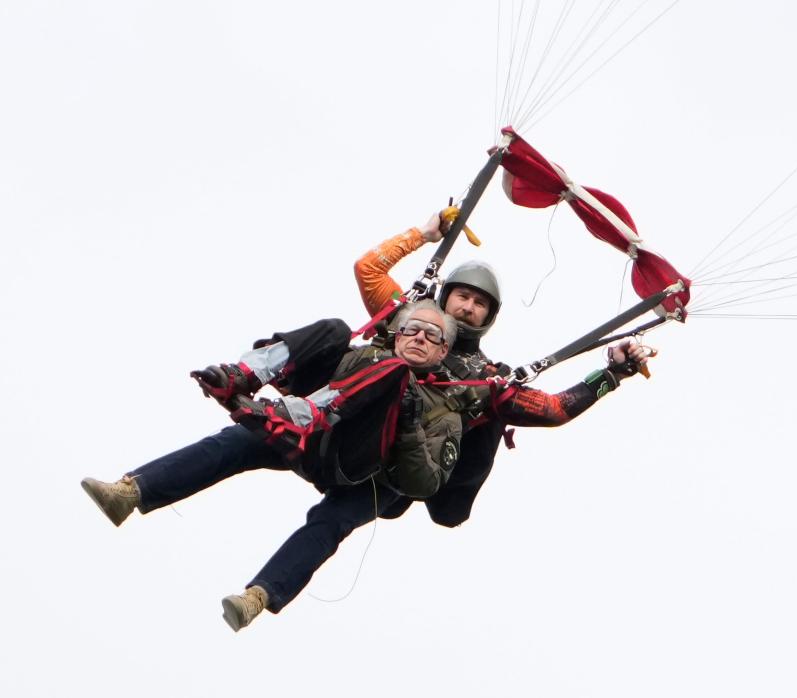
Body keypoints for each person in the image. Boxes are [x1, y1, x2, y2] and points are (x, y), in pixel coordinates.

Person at [81, 301, 461, 631]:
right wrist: (421, 234)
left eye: (432, 335)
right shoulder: (369, 355)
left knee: (331, 522)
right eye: (413, 329)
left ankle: (259, 596)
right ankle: (131, 492)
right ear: (396, 333)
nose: (420, 338)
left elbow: (424, 482)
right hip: (314, 436)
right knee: (240, 436)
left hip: (364, 471)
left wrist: (409, 424)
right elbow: (368, 272)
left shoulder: (447, 408)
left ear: (444, 352)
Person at [354, 211, 653, 529]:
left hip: (425, 470)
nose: (468, 307)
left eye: (479, 304)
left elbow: (553, 409)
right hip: (370, 446)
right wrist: (424, 234)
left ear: (489, 316)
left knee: (454, 494)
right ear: (445, 296)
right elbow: (368, 269)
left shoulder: (486, 376)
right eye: (463, 297)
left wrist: (611, 374)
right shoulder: (408, 318)